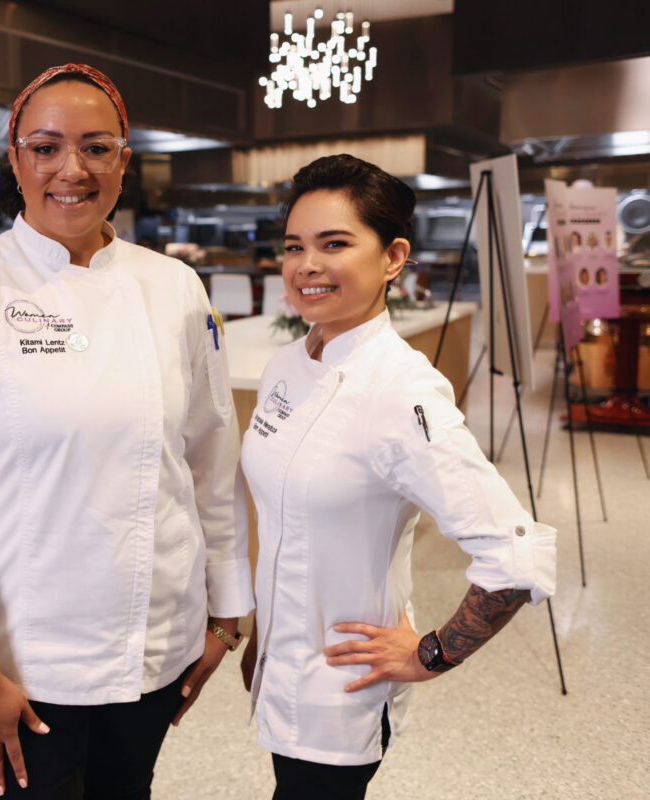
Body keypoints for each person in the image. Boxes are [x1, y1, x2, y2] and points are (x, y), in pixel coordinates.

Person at [0, 63, 252, 799]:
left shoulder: (174, 286)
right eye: (47, 147)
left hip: (158, 645)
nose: (71, 170)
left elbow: (213, 458)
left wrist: (225, 615)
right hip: (22, 661)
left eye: (96, 147)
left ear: (124, 161)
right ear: (16, 161)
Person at [238, 155, 556, 800]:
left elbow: (514, 553)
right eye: (295, 246)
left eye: (335, 244)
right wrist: (266, 636)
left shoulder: (401, 390)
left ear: (393, 257)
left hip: (342, 690)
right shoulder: (287, 365)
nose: (307, 265)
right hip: (279, 665)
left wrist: (431, 653)